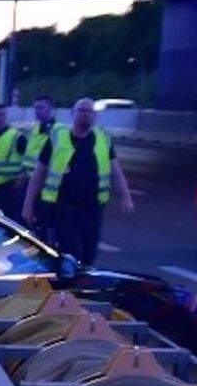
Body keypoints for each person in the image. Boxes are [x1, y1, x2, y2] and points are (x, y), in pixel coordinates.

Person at [22, 97, 133, 267]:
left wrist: (126, 197)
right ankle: (70, 287)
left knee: (89, 255)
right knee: (73, 254)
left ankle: (82, 287)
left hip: (92, 209)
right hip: (64, 208)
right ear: (73, 114)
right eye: (81, 110)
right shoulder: (57, 139)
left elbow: (115, 172)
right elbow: (39, 174)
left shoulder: (102, 140)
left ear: (95, 116)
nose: (85, 115)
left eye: (89, 111)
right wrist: (28, 205)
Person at [21, 95, 59, 237]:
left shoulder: (58, 132)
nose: (37, 111)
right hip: (30, 184)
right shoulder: (35, 130)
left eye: (41, 108)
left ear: (51, 110)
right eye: (36, 108)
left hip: (47, 188)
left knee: (46, 228)